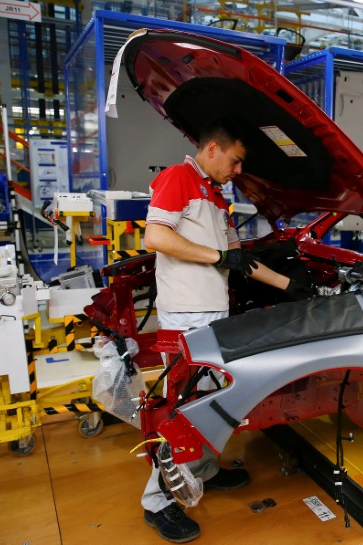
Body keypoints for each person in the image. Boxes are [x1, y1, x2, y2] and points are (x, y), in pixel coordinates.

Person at [141, 118, 310, 543]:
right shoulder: (178, 178)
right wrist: (216, 256)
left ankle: (203, 471)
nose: (238, 171)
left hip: (212, 316)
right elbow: (155, 237)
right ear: (212, 149)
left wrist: (291, 285)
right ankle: (157, 501)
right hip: (185, 317)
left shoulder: (216, 198)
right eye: (235, 161)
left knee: (212, 404)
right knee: (185, 411)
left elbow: (239, 259)